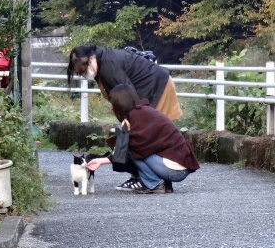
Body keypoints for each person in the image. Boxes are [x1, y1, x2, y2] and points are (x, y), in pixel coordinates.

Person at [67, 44, 182, 191]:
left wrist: (129, 117)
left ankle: (154, 180)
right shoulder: (101, 62)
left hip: (157, 88)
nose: (85, 74)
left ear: (91, 58)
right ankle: (144, 177)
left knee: (145, 137)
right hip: (148, 90)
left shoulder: (108, 65)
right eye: (81, 73)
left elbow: (126, 92)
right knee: (135, 137)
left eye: (84, 70)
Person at [86, 84, 199, 194]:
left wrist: (125, 134)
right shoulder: (141, 112)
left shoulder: (138, 116)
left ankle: (154, 183)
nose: (111, 107)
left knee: (132, 148)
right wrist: (102, 160)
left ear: (120, 103)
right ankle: (162, 184)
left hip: (175, 170)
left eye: (113, 104)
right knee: (131, 146)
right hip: (176, 167)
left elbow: (130, 148)